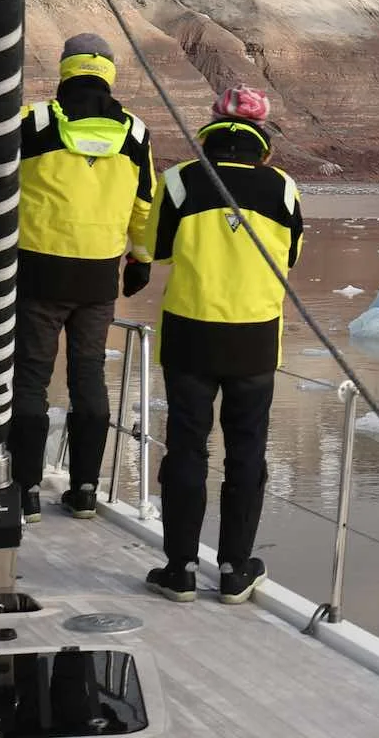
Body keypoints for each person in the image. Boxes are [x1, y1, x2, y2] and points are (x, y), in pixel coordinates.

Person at [0, 23, 159, 522]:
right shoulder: (136, 133)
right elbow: (144, 207)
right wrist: (140, 260)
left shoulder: (35, 123)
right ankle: (85, 490)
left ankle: (27, 490)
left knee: (30, 381)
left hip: (39, 274)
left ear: (65, 71)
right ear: (108, 75)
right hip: (99, 278)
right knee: (89, 380)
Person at [145, 85, 304, 604]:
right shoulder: (283, 189)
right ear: (262, 137)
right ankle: (235, 569)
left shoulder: (178, 181)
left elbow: (155, 249)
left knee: (187, 447)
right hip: (255, 339)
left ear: (211, 131)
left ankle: (180, 568)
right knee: (247, 451)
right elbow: (292, 257)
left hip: (191, 335)